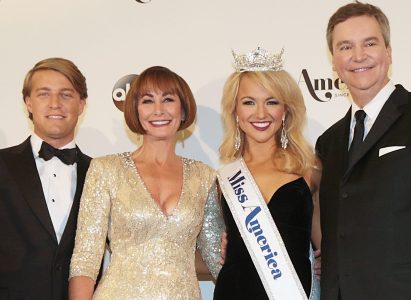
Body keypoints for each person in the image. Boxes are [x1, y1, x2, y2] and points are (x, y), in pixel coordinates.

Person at [315, 2, 411, 299]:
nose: (358, 56)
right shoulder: (329, 142)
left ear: (388, 52)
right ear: (334, 61)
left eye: (370, 43)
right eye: (345, 47)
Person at [69, 66, 223, 299]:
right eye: (148, 101)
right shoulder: (106, 169)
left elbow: (216, 257)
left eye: (168, 99)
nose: (158, 110)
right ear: (136, 111)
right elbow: (86, 257)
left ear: (183, 111)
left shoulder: (205, 177)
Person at [214, 47, 321, 300]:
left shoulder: (310, 169)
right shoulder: (225, 178)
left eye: (271, 102)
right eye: (249, 102)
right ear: (235, 112)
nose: (260, 114)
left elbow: (328, 248)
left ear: (285, 110)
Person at [0, 57, 91, 300]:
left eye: (66, 95)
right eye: (43, 94)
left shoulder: (101, 173)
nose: (55, 104)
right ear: (28, 103)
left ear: (81, 104)